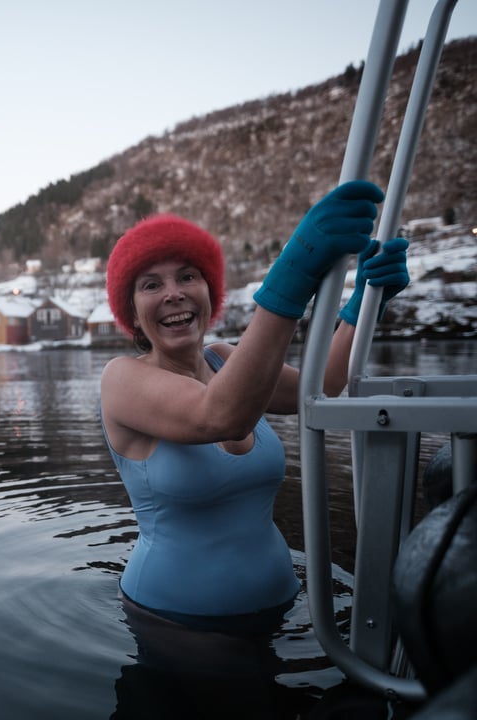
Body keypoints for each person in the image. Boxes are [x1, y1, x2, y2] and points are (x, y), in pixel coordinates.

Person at [99, 179, 411, 624]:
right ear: (130, 313)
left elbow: (320, 385)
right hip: (175, 622)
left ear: (210, 294)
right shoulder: (122, 380)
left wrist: (362, 307)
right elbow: (221, 415)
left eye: (188, 276)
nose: (174, 292)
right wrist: (291, 278)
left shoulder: (225, 361)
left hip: (282, 607)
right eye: (151, 284)